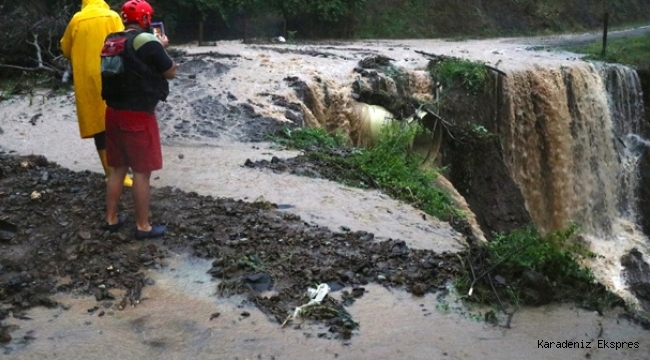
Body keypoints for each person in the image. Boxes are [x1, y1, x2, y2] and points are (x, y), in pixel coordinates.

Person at [102, 0, 176, 239]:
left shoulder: (112, 40)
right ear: (145, 20)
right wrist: (163, 47)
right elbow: (170, 72)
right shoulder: (148, 41)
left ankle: (111, 219)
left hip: (112, 113)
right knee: (142, 173)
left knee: (117, 170)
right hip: (138, 116)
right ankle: (143, 226)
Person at [60, 0, 133, 187]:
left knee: (99, 127)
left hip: (88, 81)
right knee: (118, 123)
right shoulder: (112, 17)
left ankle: (111, 174)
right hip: (112, 76)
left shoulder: (77, 20)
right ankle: (124, 173)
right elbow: (126, 44)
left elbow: (66, 49)